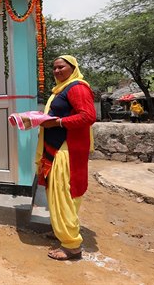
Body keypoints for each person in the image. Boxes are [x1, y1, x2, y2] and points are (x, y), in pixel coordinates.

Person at [36, 55, 96, 261]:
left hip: (66, 150)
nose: (57, 71)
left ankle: (71, 247)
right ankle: (60, 230)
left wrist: (58, 122)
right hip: (55, 148)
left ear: (73, 68)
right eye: (54, 68)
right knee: (57, 193)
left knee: (63, 194)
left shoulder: (77, 88)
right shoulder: (61, 89)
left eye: (61, 67)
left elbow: (88, 116)